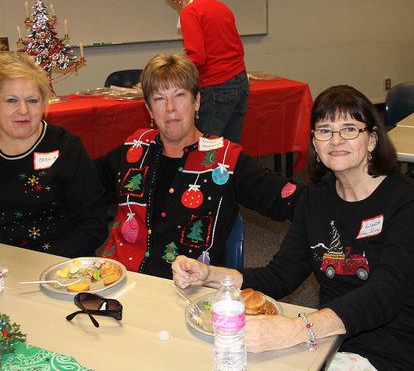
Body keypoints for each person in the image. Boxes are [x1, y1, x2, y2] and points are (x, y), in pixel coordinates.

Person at [173, 85, 414, 370]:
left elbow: (385, 294)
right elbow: (281, 275)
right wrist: (212, 275)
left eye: (349, 129)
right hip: (336, 343)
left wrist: (298, 329)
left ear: (372, 140)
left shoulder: (408, 201)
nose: (336, 140)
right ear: (315, 145)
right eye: (325, 130)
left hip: (404, 351)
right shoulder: (315, 199)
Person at [95, 54, 303, 279]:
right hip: (119, 281)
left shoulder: (224, 160)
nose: (171, 108)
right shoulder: (134, 149)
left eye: (180, 95)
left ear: (197, 101)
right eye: (159, 99)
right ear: (148, 108)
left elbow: (292, 200)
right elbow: (81, 180)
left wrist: (283, 271)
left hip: (187, 291)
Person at [0, 52, 108, 257]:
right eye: (11, 100)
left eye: (32, 100)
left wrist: (40, 266)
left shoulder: (65, 147)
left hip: (54, 265)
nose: (23, 110)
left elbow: (93, 225)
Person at [165, 0, 249, 144]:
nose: (179, 5)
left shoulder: (190, 11)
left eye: (177, 2)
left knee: (208, 147)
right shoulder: (221, 6)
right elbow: (234, 47)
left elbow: (197, 59)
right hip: (240, 82)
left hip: (216, 86)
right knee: (230, 148)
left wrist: (176, 74)